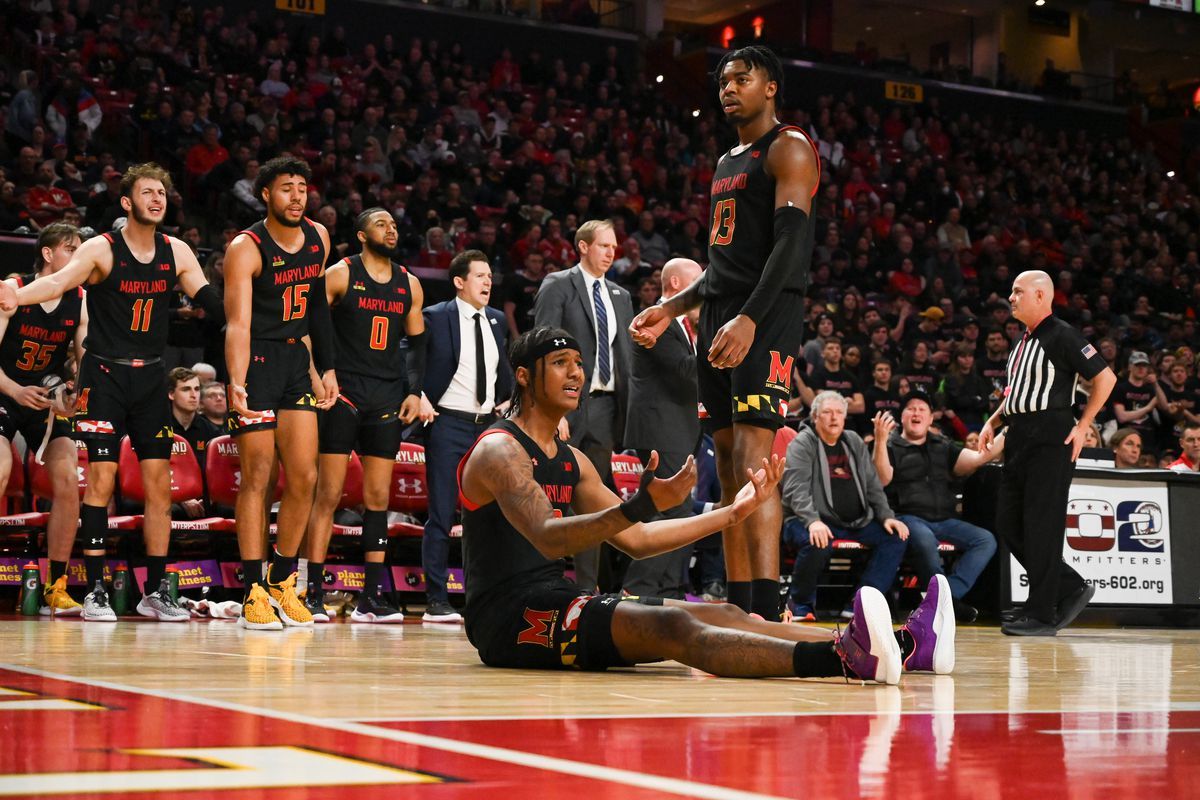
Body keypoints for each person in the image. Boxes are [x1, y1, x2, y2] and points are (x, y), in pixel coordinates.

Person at [458, 327, 954, 683]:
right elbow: (547, 533)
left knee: (727, 612)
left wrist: (730, 513)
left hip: (554, 598)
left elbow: (636, 541)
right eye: (560, 364)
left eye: (580, 364)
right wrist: (640, 504)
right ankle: (843, 659)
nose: (576, 374)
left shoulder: (569, 460)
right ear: (524, 376)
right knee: (676, 626)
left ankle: (905, 647)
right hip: (509, 618)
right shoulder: (500, 450)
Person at [630, 45, 820, 620]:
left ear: (771, 88)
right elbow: (720, 268)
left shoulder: (789, 146)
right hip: (720, 312)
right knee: (730, 463)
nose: (728, 87)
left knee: (758, 464)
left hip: (764, 317)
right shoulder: (724, 162)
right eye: (723, 80)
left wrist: (750, 319)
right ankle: (740, 606)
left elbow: (791, 246)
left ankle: (765, 608)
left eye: (743, 77)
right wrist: (671, 307)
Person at [0, 163, 224, 623]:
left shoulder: (178, 251)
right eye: (147, 192)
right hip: (105, 376)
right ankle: (97, 590)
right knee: (99, 482)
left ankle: (158, 591)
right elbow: (58, 282)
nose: (157, 198)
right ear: (127, 202)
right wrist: (15, 298)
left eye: (162, 192)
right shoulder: (101, 248)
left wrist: (256, 323)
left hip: (149, 379)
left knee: (158, 486)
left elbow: (212, 303)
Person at [224, 155, 338, 631]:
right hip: (258, 359)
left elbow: (315, 309)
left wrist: (324, 368)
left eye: (302, 188)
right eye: (286, 188)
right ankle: (252, 590)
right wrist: (235, 378)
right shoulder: (246, 247)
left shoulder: (319, 237)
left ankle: (282, 580)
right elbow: (238, 323)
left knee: (306, 477)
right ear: (265, 194)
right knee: (258, 476)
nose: (297, 196)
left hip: (295, 360)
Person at [303, 208, 425, 624]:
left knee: (378, 499)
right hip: (345, 394)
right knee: (328, 496)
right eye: (381, 224)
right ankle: (312, 591)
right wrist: (320, 373)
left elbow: (418, 344)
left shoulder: (409, 283)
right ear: (360, 235)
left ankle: (372, 596)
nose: (391, 229)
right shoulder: (340, 274)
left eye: (394, 224)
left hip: (387, 395)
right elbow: (309, 323)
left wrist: (416, 390)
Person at [979, 270, 1116, 636]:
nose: (1011, 297)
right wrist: (993, 421)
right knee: (1009, 523)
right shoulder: (1023, 341)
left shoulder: (1063, 335)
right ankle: (1068, 586)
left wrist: (1084, 423)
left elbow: (1106, 378)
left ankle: (1041, 614)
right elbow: (1017, 392)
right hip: (1019, 434)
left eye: (1018, 292)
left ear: (1041, 296)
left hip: (1051, 436)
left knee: (1042, 526)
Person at [533, 218, 634, 592]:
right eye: (604, 246)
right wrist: (550, 411)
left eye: (614, 247)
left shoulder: (621, 297)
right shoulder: (558, 284)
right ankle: (543, 584)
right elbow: (540, 346)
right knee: (551, 497)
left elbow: (626, 362)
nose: (611, 253)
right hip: (568, 406)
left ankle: (588, 592)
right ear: (583, 247)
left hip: (606, 410)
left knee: (591, 503)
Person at [419, 249, 512, 623]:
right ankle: (436, 600)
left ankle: (482, 596)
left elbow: (501, 370)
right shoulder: (436, 316)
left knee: (487, 518)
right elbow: (411, 356)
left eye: (490, 276)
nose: (488, 281)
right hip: (447, 423)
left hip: (486, 427)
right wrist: (418, 394)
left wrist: (508, 401)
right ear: (459, 282)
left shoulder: (498, 320)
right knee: (441, 514)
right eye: (480, 276)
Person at [0, 223, 87, 615]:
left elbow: (83, 362)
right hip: (5, 390)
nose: (79, 257)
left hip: (46, 399)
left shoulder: (81, 299)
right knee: (1, 467)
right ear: (48, 254)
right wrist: (16, 391)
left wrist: (74, 397)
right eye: (71, 249)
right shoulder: (13, 289)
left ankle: (56, 582)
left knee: (69, 478)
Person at [873, 392, 1002, 622]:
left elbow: (978, 458)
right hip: (907, 517)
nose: (916, 412)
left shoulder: (943, 445)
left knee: (985, 540)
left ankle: (943, 598)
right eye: (911, 408)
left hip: (945, 518)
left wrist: (1009, 430)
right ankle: (946, 603)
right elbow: (882, 478)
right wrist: (880, 441)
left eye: (922, 409)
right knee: (924, 540)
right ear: (901, 417)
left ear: (931, 419)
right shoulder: (890, 444)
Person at [781, 391, 909, 621]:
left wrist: (886, 516)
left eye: (839, 412)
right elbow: (794, 489)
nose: (834, 418)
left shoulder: (853, 441)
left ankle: (861, 602)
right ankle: (800, 603)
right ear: (815, 416)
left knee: (895, 537)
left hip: (855, 522)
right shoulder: (803, 442)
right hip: (805, 520)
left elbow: (872, 485)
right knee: (818, 541)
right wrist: (813, 521)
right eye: (827, 412)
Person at [621, 257, 703, 599]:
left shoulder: (679, 326)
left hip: (676, 428)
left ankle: (667, 592)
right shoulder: (660, 321)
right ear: (674, 286)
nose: (703, 293)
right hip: (659, 427)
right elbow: (685, 372)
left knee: (676, 508)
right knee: (675, 508)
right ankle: (636, 588)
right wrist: (721, 337)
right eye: (697, 284)